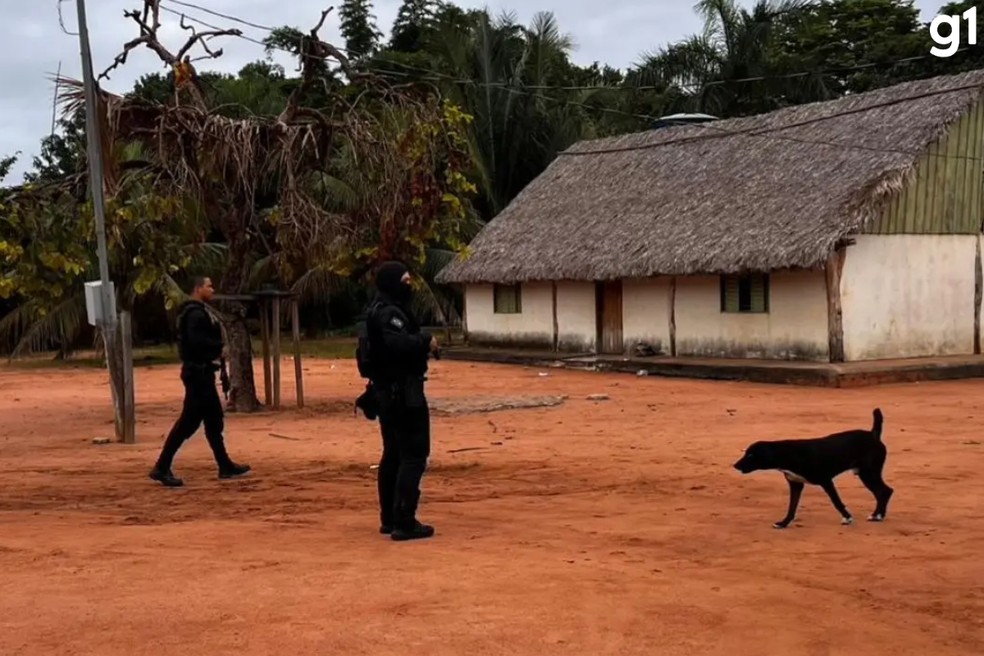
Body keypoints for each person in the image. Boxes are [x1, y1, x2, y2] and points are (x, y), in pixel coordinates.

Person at [149, 277, 251, 487]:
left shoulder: (197, 311)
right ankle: (161, 466)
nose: (212, 289)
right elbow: (196, 342)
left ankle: (224, 465)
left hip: (202, 374)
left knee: (213, 420)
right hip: (197, 375)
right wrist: (218, 347)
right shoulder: (195, 314)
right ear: (197, 289)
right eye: (208, 286)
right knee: (188, 423)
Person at [365, 261, 440, 541]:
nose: (410, 285)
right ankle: (404, 520)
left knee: (394, 454)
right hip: (402, 395)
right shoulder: (389, 314)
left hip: (388, 393)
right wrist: (425, 341)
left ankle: (390, 517)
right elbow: (397, 344)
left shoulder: (377, 310)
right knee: (414, 455)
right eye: (406, 280)